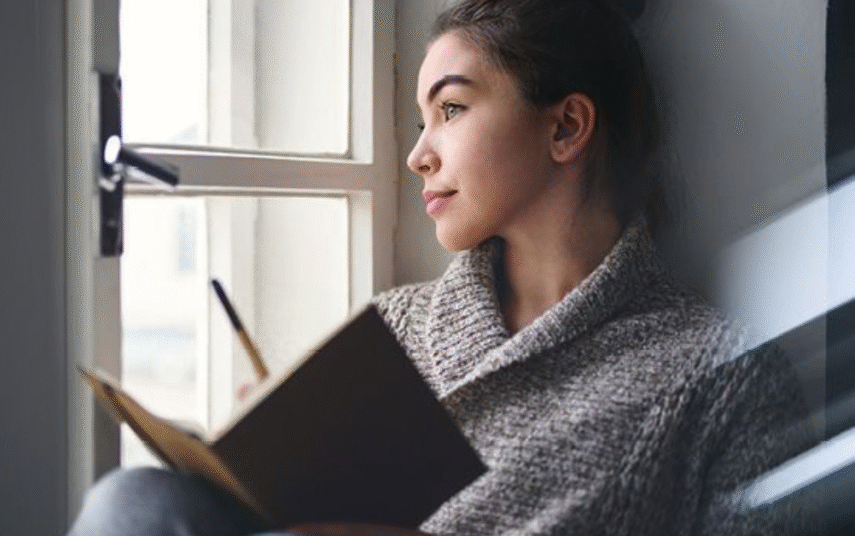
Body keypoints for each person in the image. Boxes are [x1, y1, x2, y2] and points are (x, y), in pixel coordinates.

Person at [68, 0, 817, 534]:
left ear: (566, 126)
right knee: (136, 503)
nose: (417, 154)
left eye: (451, 110)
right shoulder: (394, 328)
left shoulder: (718, 373)